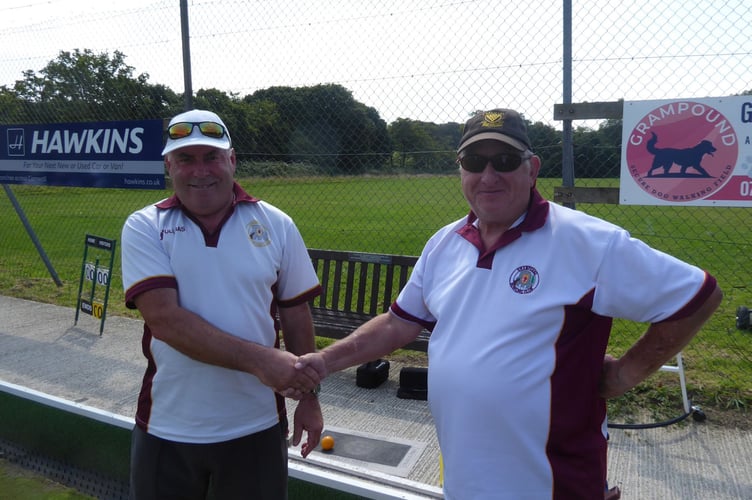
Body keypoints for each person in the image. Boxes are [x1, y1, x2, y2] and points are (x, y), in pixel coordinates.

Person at [293, 108, 723, 499]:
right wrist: (324, 361)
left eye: (505, 161)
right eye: (474, 162)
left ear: (532, 168)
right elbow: (396, 324)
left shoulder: (587, 241)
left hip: (551, 483)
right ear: (460, 170)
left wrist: (626, 373)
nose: (488, 175)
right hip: (465, 475)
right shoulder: (445, 243)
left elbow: (696, 297)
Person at [121, 109, 324, 500]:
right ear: (169, 165)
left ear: (231, 160)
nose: (200, 170)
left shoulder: (277, 224)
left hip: (256, 427)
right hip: (168, 428)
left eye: (211, 156)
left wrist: (309, 399)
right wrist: (263, 361)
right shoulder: (145, 226)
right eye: (186, 159)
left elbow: (297, 317)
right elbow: (165, 320)